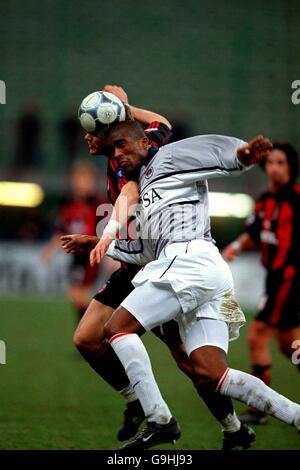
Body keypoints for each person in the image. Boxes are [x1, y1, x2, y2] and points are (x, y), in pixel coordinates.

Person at [61, 86, 251, 450]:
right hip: (131, 266)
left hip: (158, 265)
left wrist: (125, 108)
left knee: (191, 365)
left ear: (110, 134)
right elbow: (160, 124)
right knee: (86, 338)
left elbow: (158, 131)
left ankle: (233, 427)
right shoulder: (118, 157)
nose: (87, 136)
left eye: (93, 130)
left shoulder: (135, 161)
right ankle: (137, 404)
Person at [95, 121, 300, 450]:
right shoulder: (145, 191)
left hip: (190, 262)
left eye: (122, 145)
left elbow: (216, 155)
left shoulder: (170, 157)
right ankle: (295, 416)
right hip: (209, 274)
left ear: (144, 144)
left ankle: (159, 420)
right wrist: (99, 242)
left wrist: (243, 155)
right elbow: (147, 251)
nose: (117, 154)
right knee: (211, 373)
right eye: (114, 150)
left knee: (117, 328)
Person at [222, 142, 300, 425]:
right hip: (274, 279)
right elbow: (254, 231)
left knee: (256, 335)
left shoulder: (296, 198)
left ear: (291, 167)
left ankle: (259, 408)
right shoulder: (265, 200)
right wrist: (235, 246)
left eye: (282, 162)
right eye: (271, 162)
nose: (275, 168)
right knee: (288, 343)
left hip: (289, 278)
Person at [41, 161, 105, 322]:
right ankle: (87, 334)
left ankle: (101, 322)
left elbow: (109, 230)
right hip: (76, 255)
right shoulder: (69, 204)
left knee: (79, 294)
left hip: (90, 253)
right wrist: (49, 250)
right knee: (76, 296)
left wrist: (110, 255)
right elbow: (61, 231)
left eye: (86, 179)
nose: (82, 183)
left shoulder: (98, 204)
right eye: (79, 179)